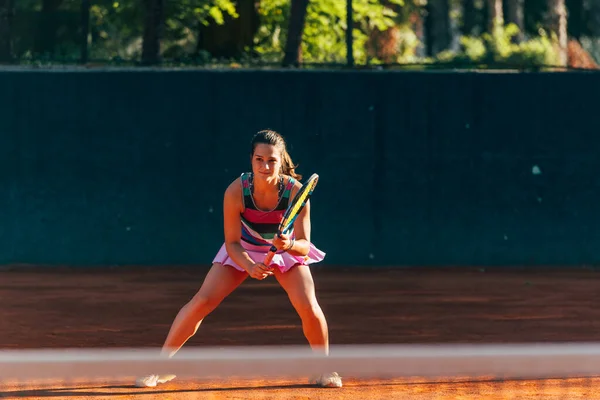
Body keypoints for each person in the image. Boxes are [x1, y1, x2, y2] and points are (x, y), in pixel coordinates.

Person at [135, 129, 342, 389]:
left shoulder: (296, 192)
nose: (265, 166)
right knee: (202, 301)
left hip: (285, 250)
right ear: (251, 160)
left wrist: (288, 243)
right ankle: (160, 367)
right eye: (259, 159)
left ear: (281, 160)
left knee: (309, 307)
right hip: (244, 249)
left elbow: (304, 245)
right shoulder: (236, 191)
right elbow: (232, 242)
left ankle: (323, 369)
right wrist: (249, 265)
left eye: (272, 160)